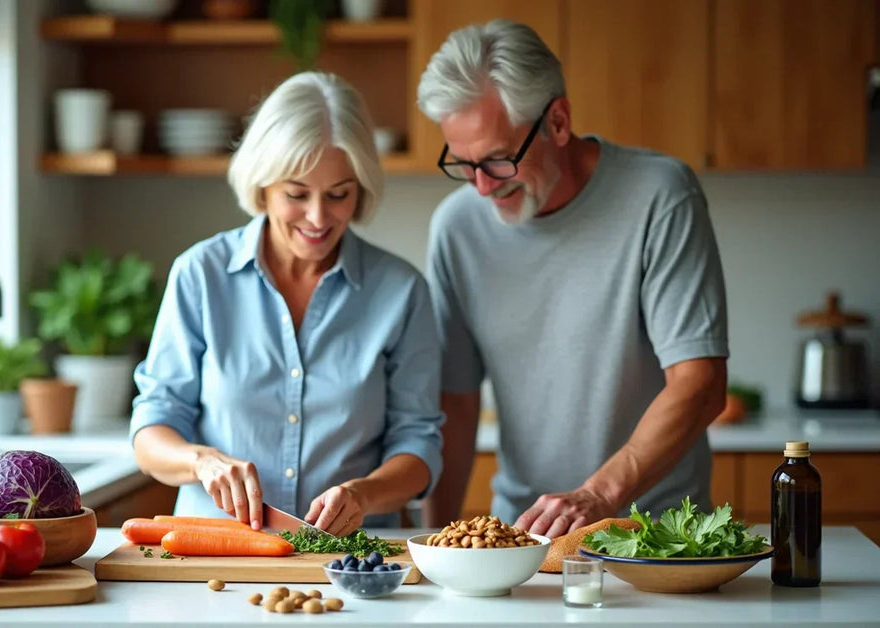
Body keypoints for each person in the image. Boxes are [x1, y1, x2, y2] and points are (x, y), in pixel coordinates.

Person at [416, 19, 729, 537]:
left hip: (658, 536)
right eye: (463, 163)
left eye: (497, 160)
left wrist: (600, 494)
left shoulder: (660, 196)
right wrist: (438, 547)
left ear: (558, 122)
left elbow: (701, 384)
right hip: (525, 537)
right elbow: (456, 402)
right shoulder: (457, 228)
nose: (480, 187)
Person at [130, 71, 444, 536]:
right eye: (297, 194)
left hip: (352, 557)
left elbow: (419, 445)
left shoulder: (401, 291)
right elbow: (153, 425)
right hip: (216, 551)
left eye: (338, 194)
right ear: (262, 187)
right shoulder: (201, 274)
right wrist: (202, 461)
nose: (318, 217)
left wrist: (365, 493)